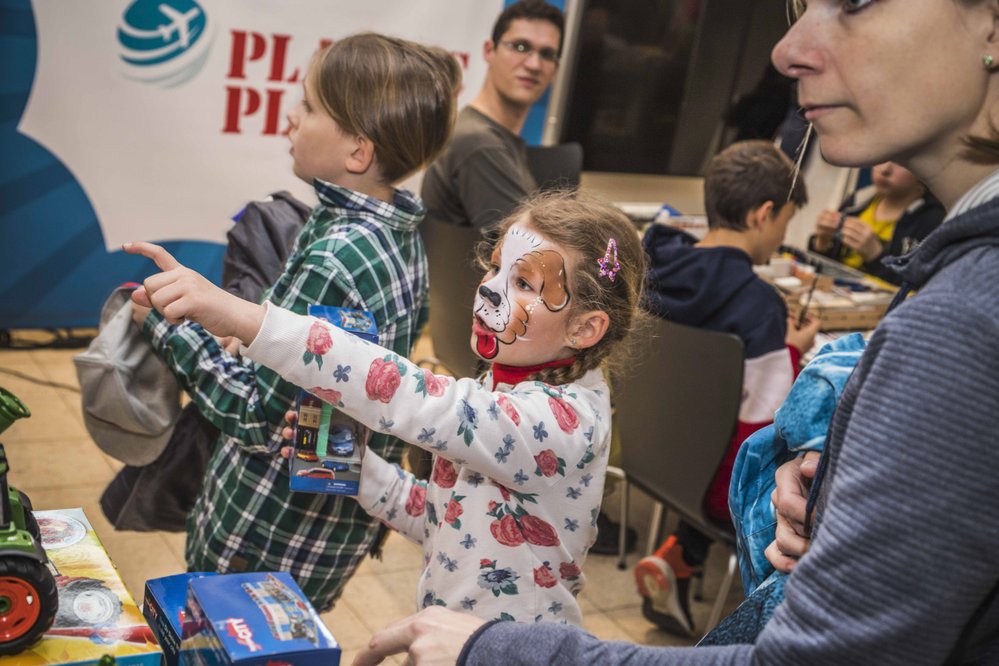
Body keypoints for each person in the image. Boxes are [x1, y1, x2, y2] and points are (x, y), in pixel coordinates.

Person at [336, 0, 999, 662]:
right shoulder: (946, 302)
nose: (785, 50)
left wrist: (499, 650)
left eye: (853, 1)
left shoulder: (958, 317)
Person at [125, 190, 646, 625]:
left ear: (585, 328)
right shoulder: (506, 388)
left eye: (524, 283)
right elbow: (444, 520)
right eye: (495, 268)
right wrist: (356, 469)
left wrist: (242, 318)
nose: (489, 289)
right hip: (453, 637)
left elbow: (403, 392)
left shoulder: (555, 423)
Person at [129, 33, 458, 611]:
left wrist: (167, 324)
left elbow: (260, 418)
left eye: (308, 106)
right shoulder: (397, 235)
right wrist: (248, 334)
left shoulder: (336, 256)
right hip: (328, 535)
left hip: (266, 540)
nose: (291, 118)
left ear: (357, 151)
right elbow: (317, 383)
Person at [635, 140, 819, 636]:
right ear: (763, 214)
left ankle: (680, 554)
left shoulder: (651, 259)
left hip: (643, 447)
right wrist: (794, 352)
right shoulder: (759, 304)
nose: (783, 236)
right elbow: (767, 422)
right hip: (712, 483)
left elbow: (606, 268)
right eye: (785, 222)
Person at [421, 0, 563, 237]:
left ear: (555, 69)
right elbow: (533, 252)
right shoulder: (478, 143)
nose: (533, 64)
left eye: (547, 54)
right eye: (520, 46)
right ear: (489, 50)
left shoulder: (488, 135)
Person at [808, 161, 945, 285]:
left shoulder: (932, 220)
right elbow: (820, 269)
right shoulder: (857, 202)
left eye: (899, 161)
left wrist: (876, 257)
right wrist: (822, 243)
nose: (885, 170)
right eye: (881, 159)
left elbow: (918, 286)